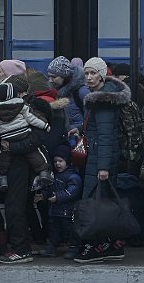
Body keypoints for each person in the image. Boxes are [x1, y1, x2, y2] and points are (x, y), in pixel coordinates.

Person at [73, 56, 134, 264]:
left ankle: (94, 246)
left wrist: (103, 167)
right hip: (100, 156)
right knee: (104, 201)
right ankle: (112, 244)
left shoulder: (102, 100)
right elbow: (99, 129)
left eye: (93, 73)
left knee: (94, 202)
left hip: (100, 158)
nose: (88, 77)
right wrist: (82, 129)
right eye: (86, 73)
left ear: (102, 74)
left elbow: (106, 136)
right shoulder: (101, 95)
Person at [0, 76, 52, 192]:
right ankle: (43, 172)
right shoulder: (21, 105)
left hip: (6, 137)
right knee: (34, 153)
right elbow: (32, 118)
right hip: (23, 133)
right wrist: (45, 126)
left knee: (4, 156)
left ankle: (2, 179)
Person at [41, 144, 82, 259]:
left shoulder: (72, 176)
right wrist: (43, 196)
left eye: (60, 161)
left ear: (67, 161)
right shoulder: (53, 175)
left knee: (70, 231)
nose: (57, 164)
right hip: (55, 211)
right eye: (55, 161)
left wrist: (58, 197)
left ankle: (74, 248)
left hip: (67, 212)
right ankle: (51, 247)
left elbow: (73, 191)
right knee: (53, 231)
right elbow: (48, 188)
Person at [48, 56, 89, 136]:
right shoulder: (53, 92)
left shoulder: (81, 92)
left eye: (54, 77)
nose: (50, 80)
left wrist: (80, 129)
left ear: (65, 76)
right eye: (49, 76)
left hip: (77, 137)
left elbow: (91, 118)